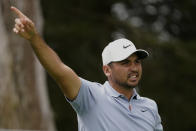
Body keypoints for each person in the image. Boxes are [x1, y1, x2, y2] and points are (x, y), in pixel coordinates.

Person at [11, 6, 163, 131]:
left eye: (137, 62)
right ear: (107, 70)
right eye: (125, 63)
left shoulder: (150, 107)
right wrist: (34, 38)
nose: (134, 68)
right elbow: (59, 71)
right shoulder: (90, 96)